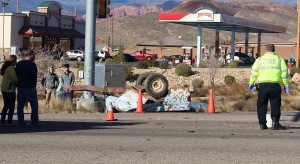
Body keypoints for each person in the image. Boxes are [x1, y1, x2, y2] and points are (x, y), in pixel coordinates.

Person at [248, 44, 289, 130]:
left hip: (263, 86)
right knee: (275, 104)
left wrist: (251, 83)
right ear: (274, 51)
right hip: (275, 86)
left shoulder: (259, 60)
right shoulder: (279, 59)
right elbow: (284, 73)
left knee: (261, 105)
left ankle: (262, 124)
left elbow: (254, 72)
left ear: (265, 50)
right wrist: (286, 84)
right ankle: (275, 123)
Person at [15, 49, 39, 126]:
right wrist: (33, 85)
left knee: (20, 106)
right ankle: (34, 122)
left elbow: (16, 76)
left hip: (21, 87)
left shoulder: (19, 64)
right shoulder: (32, 64)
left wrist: (17, 85)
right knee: (34, 105)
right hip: (30, 87)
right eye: (33, 54)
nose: (34, 56)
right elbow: (34, 77)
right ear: (28, 55)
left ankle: (20, 122)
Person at [0, 55, 18, 127]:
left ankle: (2, 121)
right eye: (16, 60)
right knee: (11, 106)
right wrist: (19, 84)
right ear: (13, 61)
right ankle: (9, 122)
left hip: (4, 88)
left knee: (6, 105)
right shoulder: (11, 68)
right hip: (9, 89)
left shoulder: (6, 67)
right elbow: (15, 79)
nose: (16, 61)